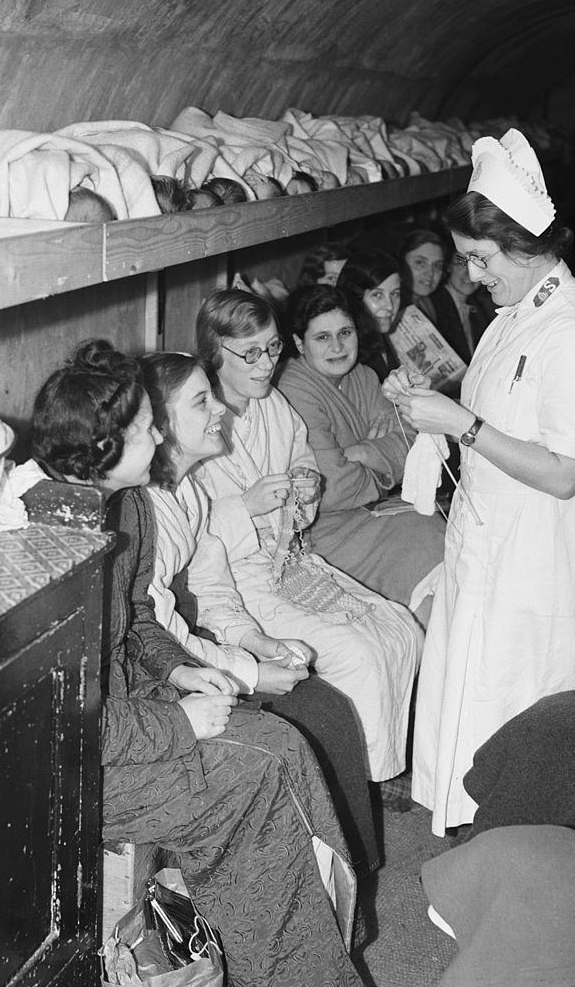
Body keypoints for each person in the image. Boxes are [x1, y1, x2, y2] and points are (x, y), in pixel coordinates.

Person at [30, 340, 364, 987]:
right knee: (257, 775)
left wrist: (180, 670)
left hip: (130, 712)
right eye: (145, 425)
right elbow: (73, 726)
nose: (158, 432)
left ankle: (327, 951)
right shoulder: (54, 552)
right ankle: (299, 969)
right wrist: (183, 723)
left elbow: (138, 617)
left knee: (282, 743)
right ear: (105, 446)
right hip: (77, 774)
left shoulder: (122, 508)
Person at [383, 128, 575, 835]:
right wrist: (423, 403)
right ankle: (475, 852)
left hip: (534, 550)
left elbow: (563, 469)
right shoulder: (515, 314)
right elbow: (482, 416)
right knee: (472, 701)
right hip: (487, 542)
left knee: (516, 716)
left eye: (481, 259)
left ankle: (513, 868)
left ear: (525, 244)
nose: (474, 275)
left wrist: (463, 426)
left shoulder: (573, 331)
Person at [139, 350, 378, 874]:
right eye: (203, 402)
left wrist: (256, 643)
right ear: (161, 425)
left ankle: (348, 879)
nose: (220, 410)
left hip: (190, 642)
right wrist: (247, 675)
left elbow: (211, 586)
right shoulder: (146, 510)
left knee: (329, 709)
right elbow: (153, 631)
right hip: (153, 669)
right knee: (305, 726)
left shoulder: (191, 491)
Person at [194, 288, 421, 788]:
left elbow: (300, 458)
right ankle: (355, 785)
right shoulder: (193, 417)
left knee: (400, 627)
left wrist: (305, 486)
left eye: (273, 349)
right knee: (356, 653)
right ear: (215, 353)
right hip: (238, 577)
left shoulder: (273, 404)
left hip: (291, 557)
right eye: (250, 353)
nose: (266, 365)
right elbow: (185, 528)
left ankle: (375, 771)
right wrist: (245, 507)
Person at [278, 283, 444, 619]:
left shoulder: (365, 377)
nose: (338, 347)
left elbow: (412, 442)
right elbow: (332, 489)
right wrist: (385, 465)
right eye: (322, 337)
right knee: (428, 556)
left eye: (345, 332)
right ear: (298, 343)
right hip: (325, 533)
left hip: (374, 512)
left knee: (447, 541)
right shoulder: (294, 390)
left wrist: (362, 452)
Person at [336, 250, 402, 380]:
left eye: (395, 294)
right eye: (377, 295)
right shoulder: (346, 352)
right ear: (354, 297)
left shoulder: (377, 337)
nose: (389, 306)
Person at [431, 248, 495, 363]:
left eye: (477, 263)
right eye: (461, 262)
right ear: (448, 266)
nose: (469, 272)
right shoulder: (432, 305)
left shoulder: (478, 310)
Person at [398, 228, 447, 323]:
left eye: (437, 265)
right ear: (401, 263)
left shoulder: (429, 304)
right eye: (420, 262)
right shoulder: (392, 309)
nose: (430, 273)